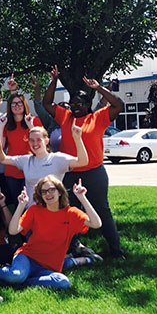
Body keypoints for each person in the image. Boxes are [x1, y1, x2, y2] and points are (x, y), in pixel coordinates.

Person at [42, 65, 126, 259]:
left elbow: (118, 105)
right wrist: (54, 81)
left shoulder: (98, 117)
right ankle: (71, 248)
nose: (75, 106)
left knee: (102, 211)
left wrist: (98, 88)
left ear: (88, 105)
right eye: (73, 103)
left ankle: (116, 251)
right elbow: (47, 103)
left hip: (94, 173)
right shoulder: (65, 117)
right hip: (70, 173)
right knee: (68, 211)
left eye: (80, 103)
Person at [0, 176, 102, 289]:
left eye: (51, 190)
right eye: (44, 192)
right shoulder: (34, 210)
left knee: (63, 282)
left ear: (60, 192)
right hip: (27, 257)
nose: (48, 194)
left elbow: (96, 223)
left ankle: (20, 282)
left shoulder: (70, 213)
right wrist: (21, 205)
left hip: (49, 267)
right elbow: (13, 230)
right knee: (16, 275)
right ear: (40, 195)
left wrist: (82, 198)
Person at [0, 124, 88, 208]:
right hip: (32, 212)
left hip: (54, 211)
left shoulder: (57, 158)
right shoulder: (26, 160)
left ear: (46, 141)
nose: (35, 144)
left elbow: (82, 162)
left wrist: (78, 139)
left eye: (39, 140)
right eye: (31, 140)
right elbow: (3, 159)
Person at [0, 93, 42, 204]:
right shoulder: (6, 124)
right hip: (12, 170)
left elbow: (42, 143)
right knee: (18, 203)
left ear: (24, 104)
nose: (17, 106)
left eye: (19, 103)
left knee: (32, 202)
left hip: (31, 167)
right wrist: (0, 126)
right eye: (13, 104)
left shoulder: (35, 120)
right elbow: (1, 146)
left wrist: (30, 125)